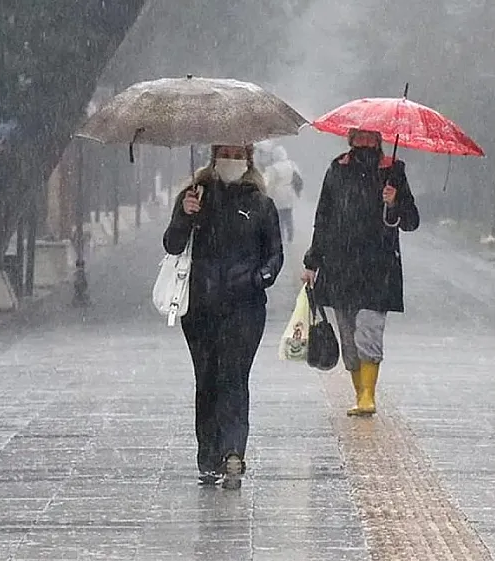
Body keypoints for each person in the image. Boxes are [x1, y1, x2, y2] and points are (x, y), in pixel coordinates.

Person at [163, 144, 284, 489]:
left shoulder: (261, 204)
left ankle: (233, 451)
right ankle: (208, 456)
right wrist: (186, 215)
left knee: (234, 376)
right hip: (200, 306)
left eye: (237, 153)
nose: (231, 159)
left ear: (248, 159)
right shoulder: (195, 196)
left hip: (244, 308)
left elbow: (274, 255)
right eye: (224, 152)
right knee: (208, 379)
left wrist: (257, 278)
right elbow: (172, 244)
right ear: (214, 156)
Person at [301, 128, 420, 417]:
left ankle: (369, 395)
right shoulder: (337, 168)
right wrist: (312, 261)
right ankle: (358, 393)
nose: (364, 142)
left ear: (379, 140)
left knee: (369, 330)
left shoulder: (394, 171)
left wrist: (394, 203)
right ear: (350, 139)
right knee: (348, 337)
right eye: (359, 137)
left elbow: (411, 221)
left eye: (370, 137)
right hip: (340, 266)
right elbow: (324, 218)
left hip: (379, 268)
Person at [263, 145, 303, 243]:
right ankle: (290, 237)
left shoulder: (273, 168)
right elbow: (298, 179)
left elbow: (270, 183)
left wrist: (267, 195)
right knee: (288, 216)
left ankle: (281, 237)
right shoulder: (291, 165)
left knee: (279, 217)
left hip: (277, 195)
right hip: (289, 193)